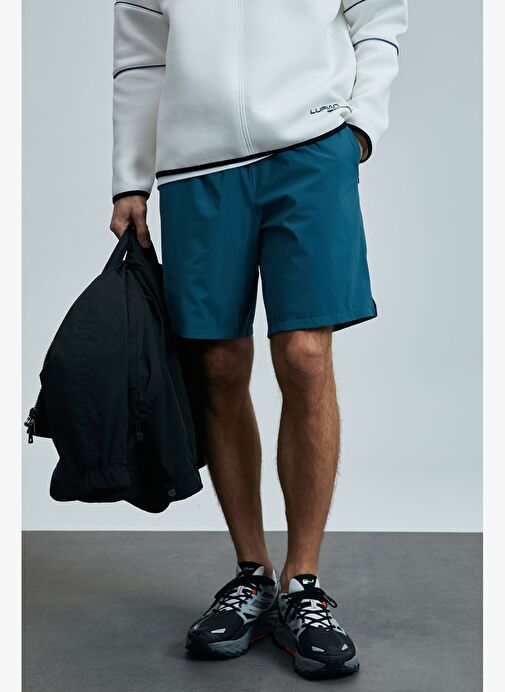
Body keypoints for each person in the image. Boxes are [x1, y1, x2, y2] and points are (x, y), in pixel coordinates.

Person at [109, 0, 408, 680]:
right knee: (216, 364)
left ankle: (303, 583)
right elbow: (140, 54)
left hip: (310, 148)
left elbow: (379, 17)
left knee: (304, 355)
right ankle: (252, 576)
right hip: (198, 166)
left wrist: (360, 127)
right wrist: (130, 176)